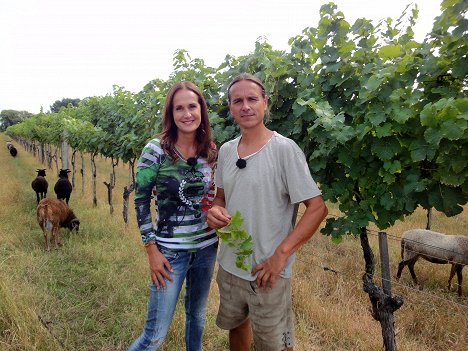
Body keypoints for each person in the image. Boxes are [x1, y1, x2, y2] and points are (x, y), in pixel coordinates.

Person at [207, 73, 328, 351]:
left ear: (265, 103)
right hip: (230, 265)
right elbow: (221, 197)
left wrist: (280, 257)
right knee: (237, 327)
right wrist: (215, 211)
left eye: (252, 99)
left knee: (275, 344)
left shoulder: (284, 149)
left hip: (268, 271)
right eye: (238, 101)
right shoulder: (226, 151)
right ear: (230, 108)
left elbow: (317, 208)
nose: (245, 106)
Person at [129, 81, 218, 351]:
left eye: (192, 106)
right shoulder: (155, 150)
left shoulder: (211, 150)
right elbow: (141, 201)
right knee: (154, 337)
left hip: (206, 248)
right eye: (179, 108)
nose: (187, 113)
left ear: (201, 110)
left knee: (197, 319)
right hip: (169, 254)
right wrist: (151, 250)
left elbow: (211, 196)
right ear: (171, 113)